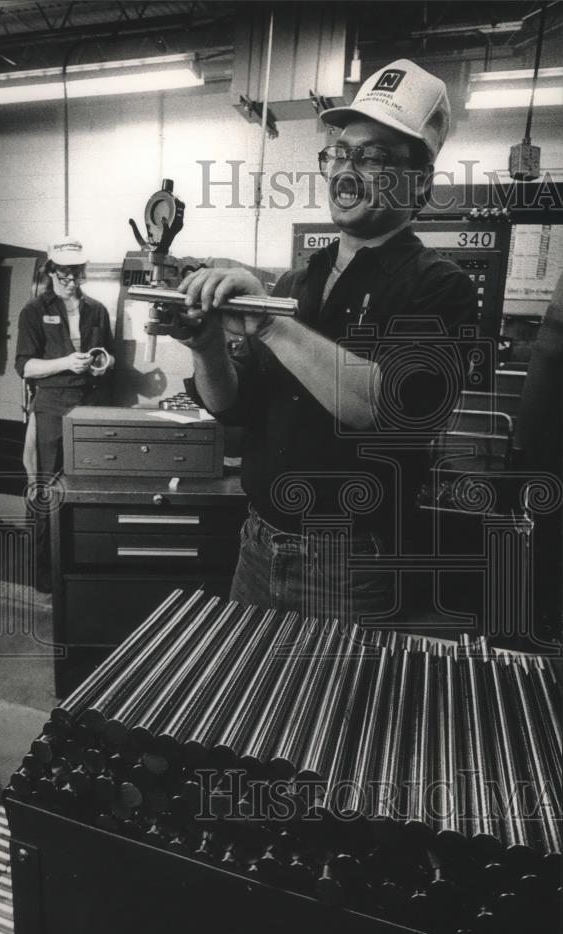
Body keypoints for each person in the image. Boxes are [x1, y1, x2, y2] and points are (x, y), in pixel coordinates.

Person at [173, 59, 478, 624]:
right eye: (340, 151)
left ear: (422, 183)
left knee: (330, 711)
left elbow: (382, 408)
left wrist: (269, 323)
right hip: (257, 545)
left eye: (375, 157)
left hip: (350, 564)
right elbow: (232, 406)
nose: (346, 169)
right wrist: (206, 345)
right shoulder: (296, 283)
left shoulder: (441, 287)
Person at [15, 236, 114, 590]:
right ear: (51, 271)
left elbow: (108, 355)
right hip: (52, 408)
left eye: (78, 272)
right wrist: (65, 363)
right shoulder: (33, 310)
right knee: (47, 487)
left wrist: (103, 363)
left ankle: (79, 567)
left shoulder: (97, 310)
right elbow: (24, 367)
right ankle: (45, 575)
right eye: (65, 273)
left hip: (90, 406)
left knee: (85, 486)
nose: (72, 279)